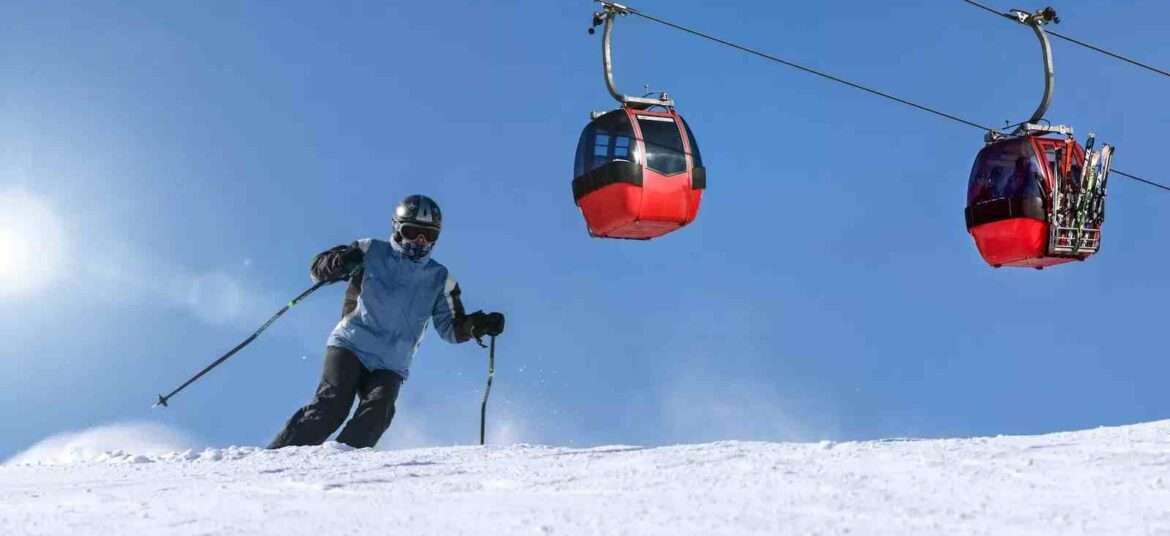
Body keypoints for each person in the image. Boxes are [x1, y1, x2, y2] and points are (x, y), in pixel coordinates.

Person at [268, 194, 504, 449]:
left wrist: (478, 325)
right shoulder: (370, 250)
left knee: (379, 412)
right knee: (332, 407)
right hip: (351, 345)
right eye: (412, 231)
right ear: (397, 229)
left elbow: (452, 328)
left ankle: (341, 463)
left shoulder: (440, 278)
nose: (419, 241)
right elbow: (318, 270)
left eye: (428, 235)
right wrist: (341, 262)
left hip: (391, 363)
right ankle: (277, 458)